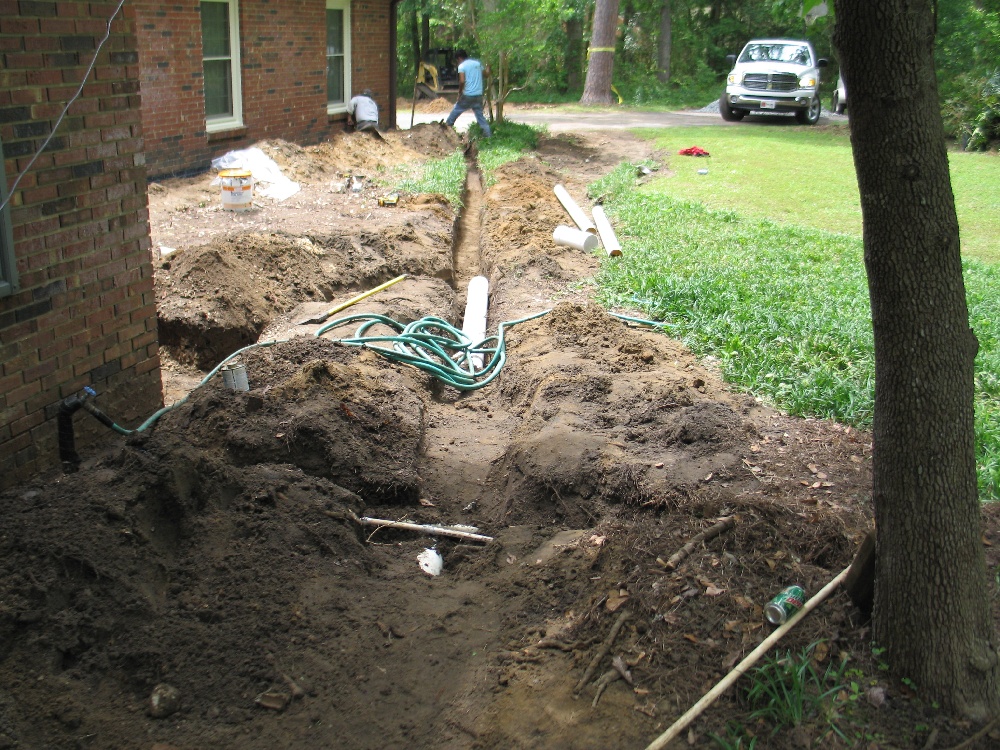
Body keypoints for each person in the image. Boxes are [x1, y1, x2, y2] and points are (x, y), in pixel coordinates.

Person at [444, 50, 491, 138]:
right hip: (478, 95)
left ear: (459, 58)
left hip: (468, 95)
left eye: (457, 60)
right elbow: (487, 74)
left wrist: (459, 93)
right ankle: (488, 136)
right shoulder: (477, 64)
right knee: (480, 117)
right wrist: (488, 66)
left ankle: (446, 129)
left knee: (456, 110)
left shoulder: (462, 66)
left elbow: (462, 81)